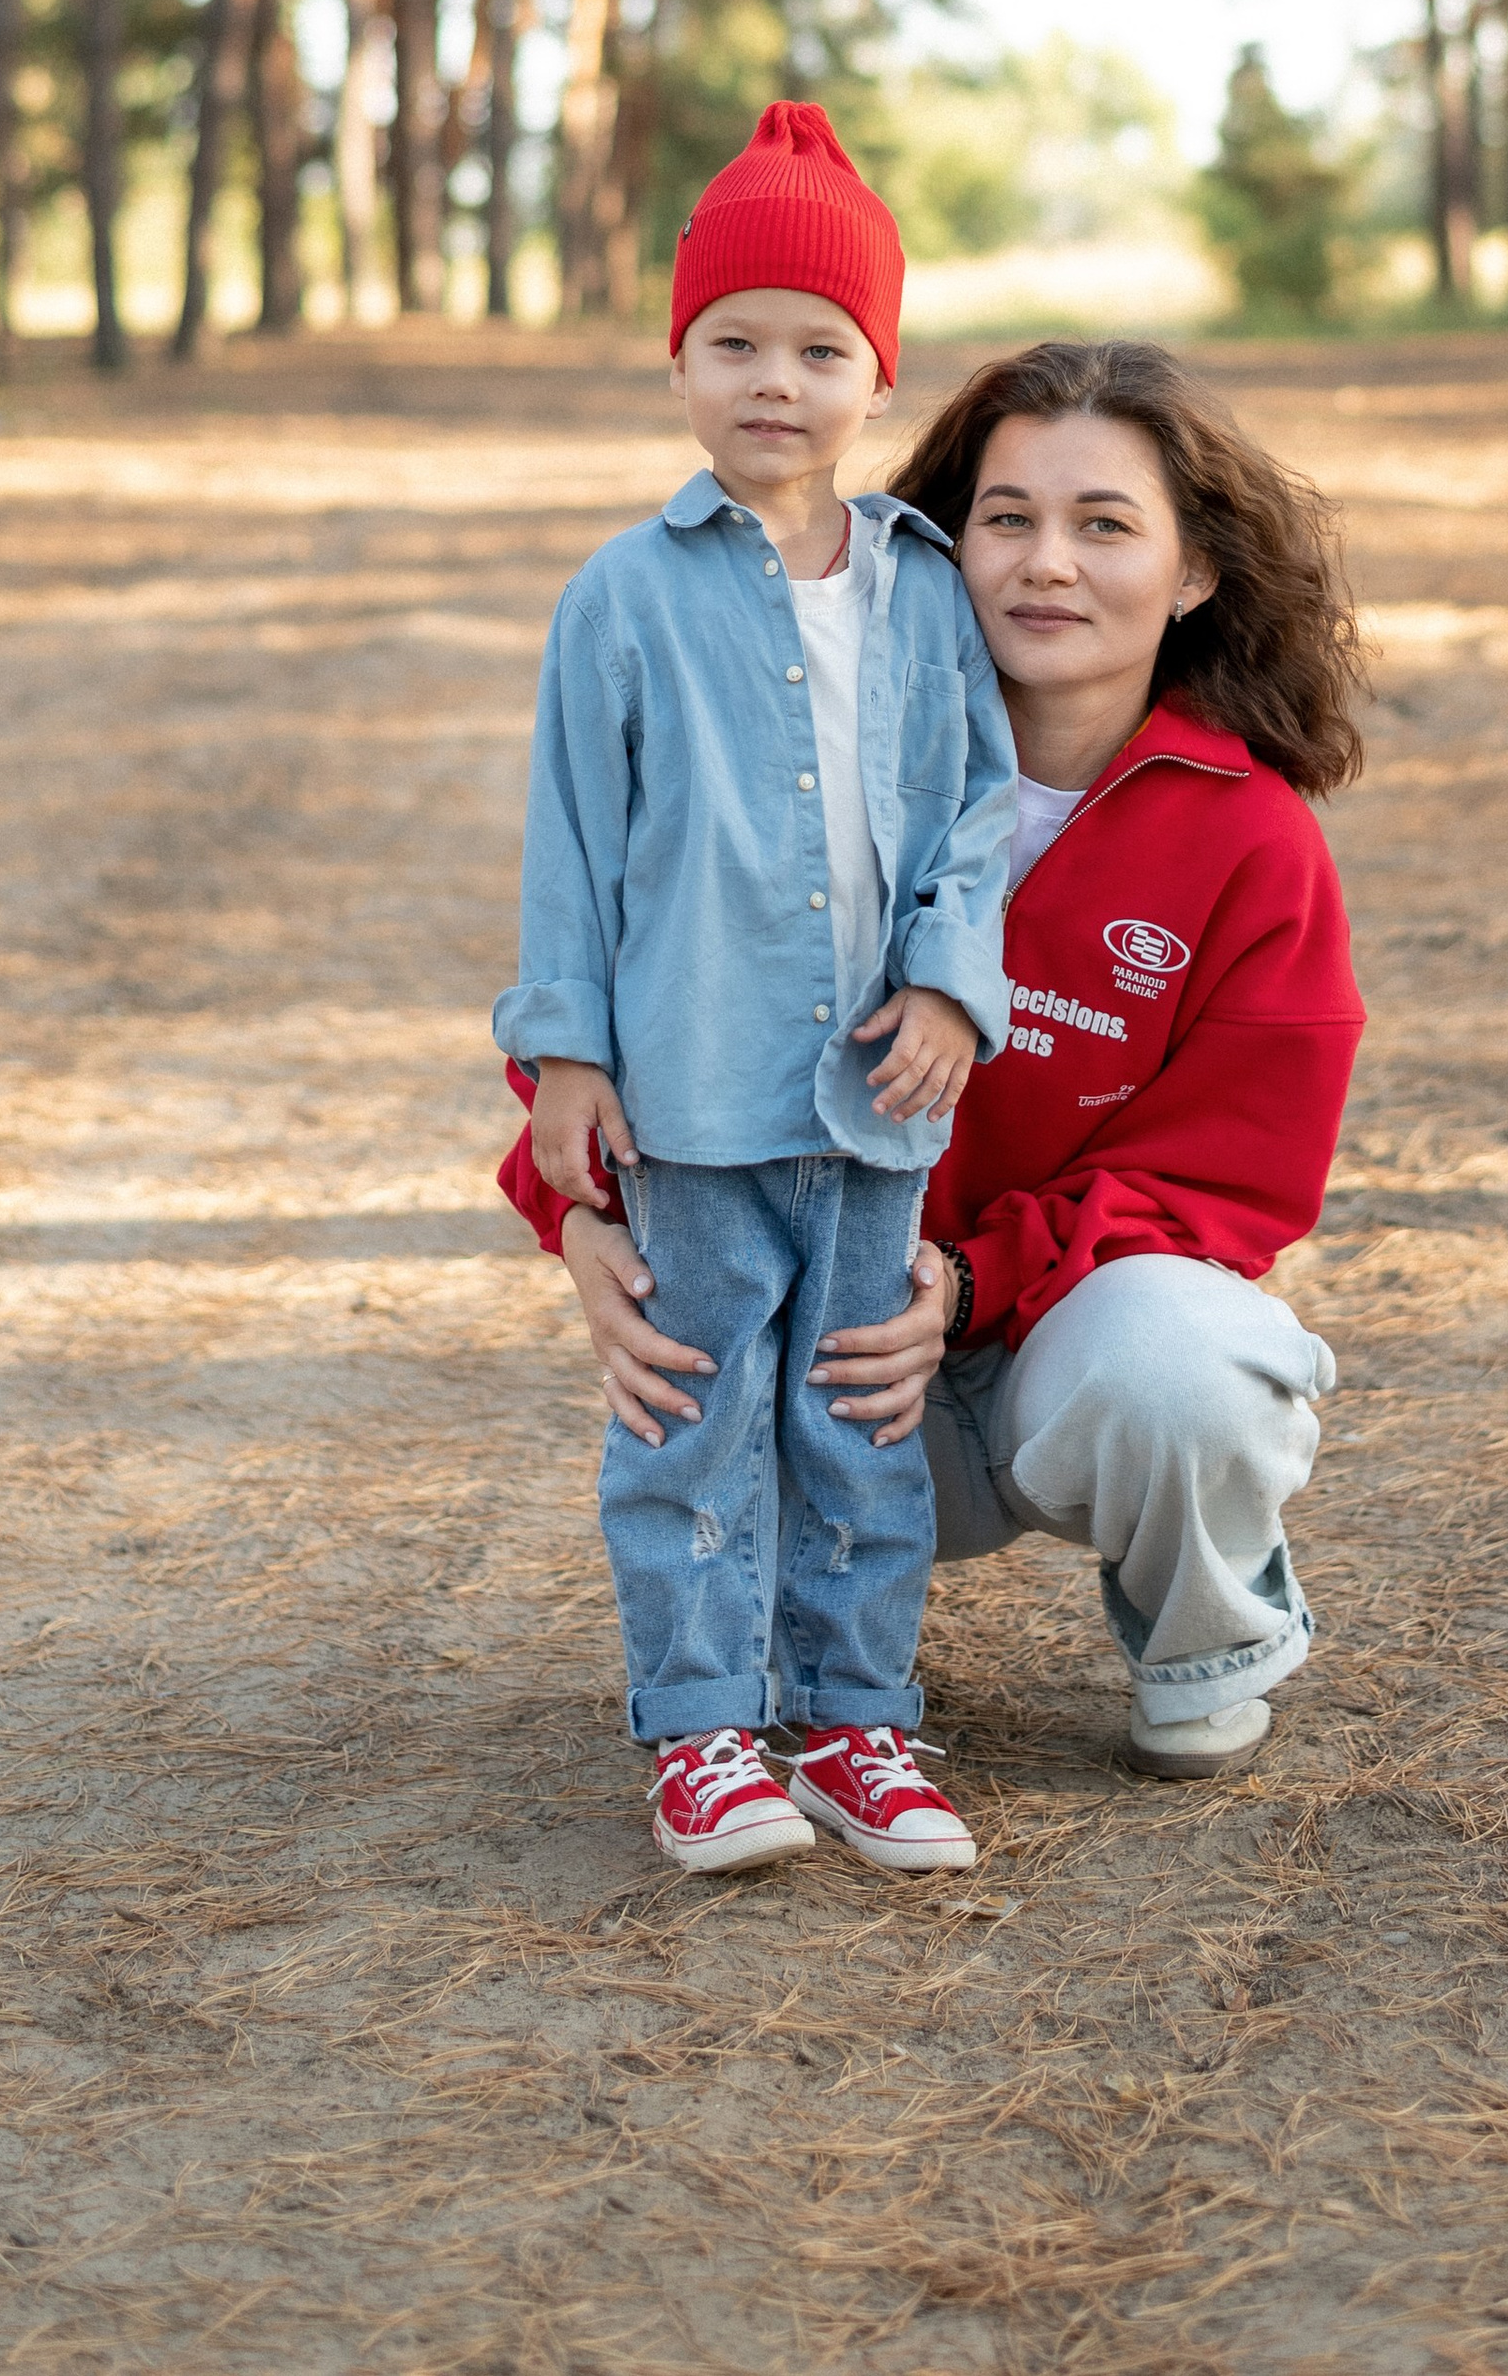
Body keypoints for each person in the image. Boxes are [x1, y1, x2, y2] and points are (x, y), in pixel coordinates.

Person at [516, 337, 1367, 1783]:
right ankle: (789, 1678)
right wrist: (579, 1217)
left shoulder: (1248, 836)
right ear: (935, 544)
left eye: (1106, 525)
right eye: (1008, 518)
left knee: (1192, 1366)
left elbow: (1233, 1184)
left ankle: (1208, 1640)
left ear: (1196, 572)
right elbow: (645, 979)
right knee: (724, 1489)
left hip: (1042, 1353)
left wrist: (975, 1281)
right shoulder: (811, 764)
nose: (1049, 565)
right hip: (823, 1354)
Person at [493, 104, 1016, 1876]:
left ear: (880, 373)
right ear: (678, 366)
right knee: (693, 1418)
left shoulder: (926, 594)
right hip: (699, 1097)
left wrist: (953, 982)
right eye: (733, 342)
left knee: (859, 1412)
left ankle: (860, 1725)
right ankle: (706, 1736)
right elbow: (570, 842)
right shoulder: (622, 599)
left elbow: (978, 809)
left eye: (817, 345)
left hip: (877, 1110)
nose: (771, 379)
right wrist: (563, 1052)